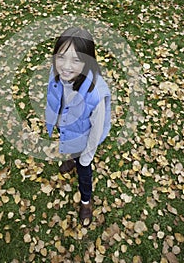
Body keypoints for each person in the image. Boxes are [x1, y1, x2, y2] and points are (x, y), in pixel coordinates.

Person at [45, 27, 111, 226]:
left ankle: (86, 201)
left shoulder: (95, 94)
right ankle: (73, 160)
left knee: (84, 172)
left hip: (84, 139)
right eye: (61, 57)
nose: (66, 66)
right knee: (74, 153)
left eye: (76, 60)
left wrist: (87, 155)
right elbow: (54, 96)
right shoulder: (56, 74)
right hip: (67, 130)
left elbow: (96, 129)